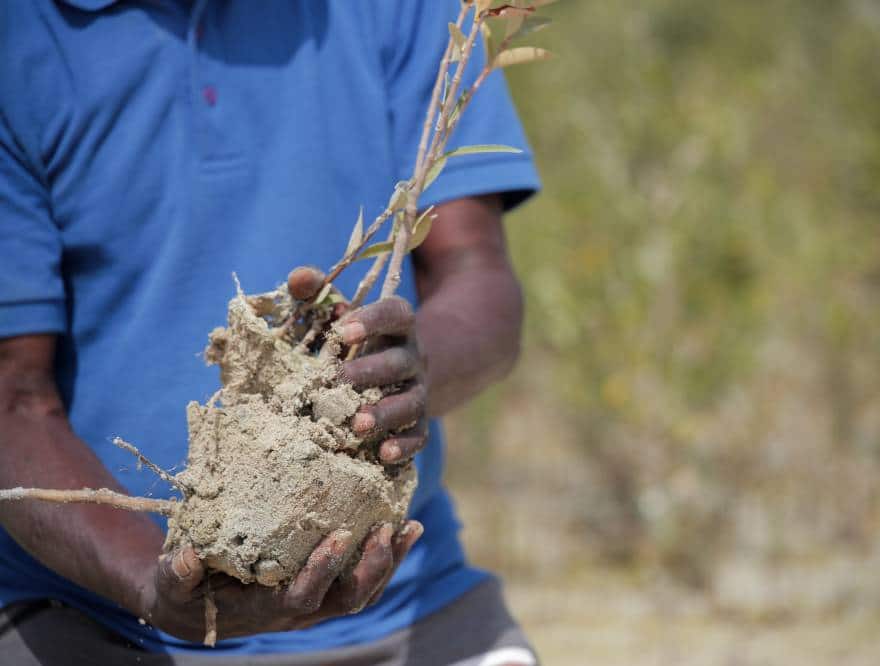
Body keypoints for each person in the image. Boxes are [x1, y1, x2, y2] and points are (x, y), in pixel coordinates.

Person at [0, 1, 540, 664]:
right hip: (93, 616)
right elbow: (13, 398)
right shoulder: (17, 36)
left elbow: (476, 270)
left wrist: (412, 368)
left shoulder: (405, 12)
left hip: (402, 603)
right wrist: (155, 587)